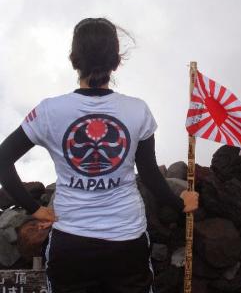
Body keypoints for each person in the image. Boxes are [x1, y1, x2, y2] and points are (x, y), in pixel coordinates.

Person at [0, 18, 199, 293]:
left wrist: (33, 208)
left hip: (71, 242)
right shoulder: (137, 110)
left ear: (73, 60)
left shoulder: (48, 111)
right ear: (116, 62)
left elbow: (2, 159)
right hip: (127, 242)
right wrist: (181, 200)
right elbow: (150, 174)